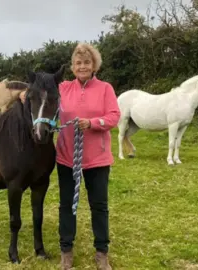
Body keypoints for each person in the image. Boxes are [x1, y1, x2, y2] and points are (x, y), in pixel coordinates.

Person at [56, 42, 120, 270]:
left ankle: (102, 253)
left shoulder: (105, 89)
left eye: (86, 62)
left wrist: (93, 123)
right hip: (66, 157)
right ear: (72, 67)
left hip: (97, 159)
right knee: (66, 205)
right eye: (77, 63)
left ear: (94, 66)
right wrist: (24, 94)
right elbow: (40, 94)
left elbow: (114, 117)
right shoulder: (63, 88)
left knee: (99, 206)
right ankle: (66, 251)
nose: (82, 66)